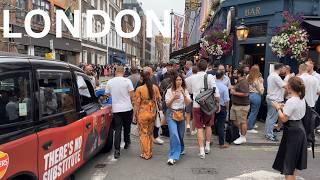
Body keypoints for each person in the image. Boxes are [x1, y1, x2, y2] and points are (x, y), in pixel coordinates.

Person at [271, 77, 307, 180]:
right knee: (292, 164)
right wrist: (283, 107)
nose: (286, 85)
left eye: (287, 84)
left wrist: (278, 108)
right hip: (299, 129)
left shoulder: (292, 101)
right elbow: (293, 112)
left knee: (289, 166)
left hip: (293, 133)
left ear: (290, 87)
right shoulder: (301, 98)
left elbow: (283, 119)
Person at [186, 59, 220, 159]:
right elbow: (215, 92)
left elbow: (189, 90)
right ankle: (207, 146)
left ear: (197, 66)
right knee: (208, 126)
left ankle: (201, 151)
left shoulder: (191, 78)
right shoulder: (210, 77)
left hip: (197, 105)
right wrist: (218, 103)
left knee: (199, 128)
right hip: (208, 105)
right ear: (206, 67)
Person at [105, 66, 134, 159]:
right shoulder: (127, 81)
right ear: (123, 72)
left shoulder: (110, 81)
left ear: (116, 71)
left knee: (117, 129)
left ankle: (117, 150)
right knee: (127, 126)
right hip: (127, 107)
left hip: (116, 109)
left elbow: (107, 94)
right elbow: (132, 95)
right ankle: (126, 142)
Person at [134, 71, 161, 160]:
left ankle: (146, 153)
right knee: (150, 133)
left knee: (143, 133)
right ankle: (149, 151)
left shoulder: (139, 89)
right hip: (152, 113)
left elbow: (137, 103)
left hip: (143, 113)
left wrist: (134, 115)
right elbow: (159, 100)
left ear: (142, 78)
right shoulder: (155, 88)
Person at [165, 73, 191, 165]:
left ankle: (181, 148)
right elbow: (167, 105)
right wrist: (173, 97)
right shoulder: (169, 91)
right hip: (171, 114)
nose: (179, 81)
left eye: (180, 80)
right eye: (177, 80)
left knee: (180, 135)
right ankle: (173, 156)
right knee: (174, 134)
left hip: (181, 114)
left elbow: (188, 103)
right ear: (174, 81)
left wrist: (184, 94)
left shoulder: (185, 90)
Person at [265, 63, 286, 141]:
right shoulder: (276, 77)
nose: (284, 70)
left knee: (269, 117)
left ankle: (268, 133)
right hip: (275, 100)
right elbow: (285, 86)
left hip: (271, 98)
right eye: (283, 68)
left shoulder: (271, 75)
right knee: (272, 119)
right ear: (280, 68)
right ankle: (269, 135)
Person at [230, 68, 250, 145]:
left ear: (239, 74)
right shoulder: (239, 82)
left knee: (242, 122)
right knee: (235, 121)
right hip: (235, 105)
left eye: (235, 73)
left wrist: (234, 93)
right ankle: (240, 133)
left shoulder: (244, 82)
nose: (233, 75)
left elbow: (246, 94)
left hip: (242, 106)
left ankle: (243, 137)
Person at [247, 65, 264, 133]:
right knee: (254, 112)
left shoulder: (248, 76)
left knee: (250, 111)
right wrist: (261, 83)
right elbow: (261, 91)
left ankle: (252, 124)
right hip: (256, 95)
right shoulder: (258, 79)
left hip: (249, 95)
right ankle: (250, 127)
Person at [215, 71, 230, 148]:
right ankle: (221, 143)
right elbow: (226, 100)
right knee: (221, 125)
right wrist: (227, 109)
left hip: (212, 107)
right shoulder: (224, 87)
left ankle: (208, 140)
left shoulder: (212, 86)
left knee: (210, 124)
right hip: (222, 107)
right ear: (222, 77)